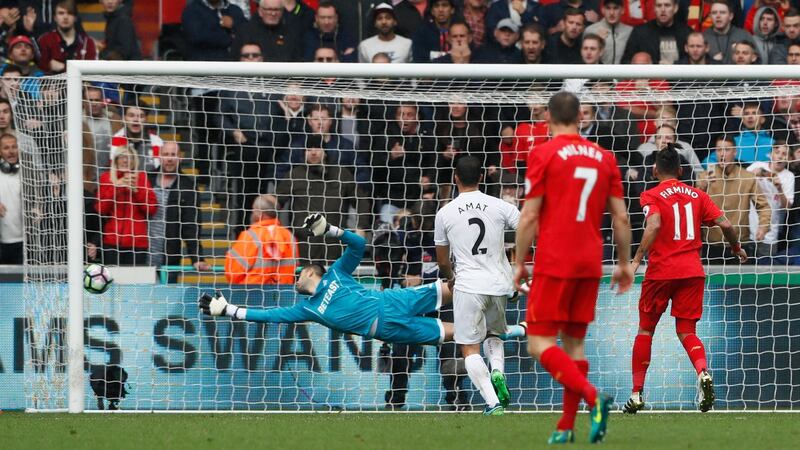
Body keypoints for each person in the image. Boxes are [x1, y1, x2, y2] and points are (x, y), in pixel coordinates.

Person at [513, 92, 633, 444]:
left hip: (554, 260)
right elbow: (621, 216)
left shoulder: (543, 153)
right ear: (581, 117)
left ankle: (594, 397)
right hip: (590, 261)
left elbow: (530, 214)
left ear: (548, 118)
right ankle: (566, 426)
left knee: (538, 344)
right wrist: (624, 264)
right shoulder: (605, 157)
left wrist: (519, 262)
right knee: (574, 347)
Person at [205, 214, 463, 344]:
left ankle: (493, 290)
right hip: (385, 329)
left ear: (309, 271)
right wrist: (230, 310)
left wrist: (330, 230)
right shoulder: (307, 308)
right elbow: (270, 315)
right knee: (454, 333)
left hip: (393, 300)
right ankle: (501, 332)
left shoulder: (336, 272)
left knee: (454, 287)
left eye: (298, 274)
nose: (294, 280)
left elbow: (359, 245)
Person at [625, 145, 747, 414]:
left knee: (646, 330)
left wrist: (635, 260)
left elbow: (654, 224)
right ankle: (703, 371)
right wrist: (736, 248)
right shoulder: (698, 195)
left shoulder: (650, 194)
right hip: (692, 271)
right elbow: (726, 224)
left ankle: (636, 394)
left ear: (655, 169)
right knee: (687, 332)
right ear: (681, 170)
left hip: (661, 272)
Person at [435, 156, 521, 416]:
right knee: (494, 335)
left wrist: (450, 275)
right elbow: (530, 228)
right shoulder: (499, 206)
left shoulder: (445, 212)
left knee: (469, 348)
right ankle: (497, 371)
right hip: (498, 283)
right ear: (481, 178)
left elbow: (441, 259)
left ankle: (493, 403)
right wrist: (518, 264)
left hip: (468, 285)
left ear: (455, 178)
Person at [696, 135, 771, 263]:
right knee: (713, 283)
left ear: (735, 151)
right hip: (711, 246)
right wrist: (701, 188)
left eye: (727, 150)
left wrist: (763, 226)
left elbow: (763, 206)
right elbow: (693, 207)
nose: (722, 154)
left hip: (740, 244)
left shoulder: (747, 177)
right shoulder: (704, 176)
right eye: (719, 150)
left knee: (741, 282)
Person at [147, 141, 209, 279]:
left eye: (173, 155)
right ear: (159, 156)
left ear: (180, 158)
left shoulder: (188, 186)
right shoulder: (146, 180)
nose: (169, 158)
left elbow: (191, 226)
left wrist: (196, 257)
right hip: (141, 254)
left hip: (170, 256)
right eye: (166, 154)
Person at [96, 141, 158, 266]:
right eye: (122, 157)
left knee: (135, 283)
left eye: (129, 158)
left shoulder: (141, 177)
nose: (125, 161)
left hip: (137, 243)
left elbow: (151, 209)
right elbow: (100, 209)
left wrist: (136, 190)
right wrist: (116, 187)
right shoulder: (106, 178)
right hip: (112, 242)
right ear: (116, 160)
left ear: (134, 161)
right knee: (112, 282)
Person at [224, 194, 298, 285]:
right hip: (283, 295)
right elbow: (294, 268)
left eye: (253, 210)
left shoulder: (249, 237)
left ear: (259, 213)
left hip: (252, 295)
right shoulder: (289, 236)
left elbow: (232, 273)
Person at [621, 0, 691, 64]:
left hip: (679, 76)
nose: (663, 10)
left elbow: (694, 59)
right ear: (654, 8)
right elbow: (626, 61)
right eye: (659, 6)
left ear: (675, 8)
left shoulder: (686, 33)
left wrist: (675, 64)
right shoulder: (640, 33)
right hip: (648, 76)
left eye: (667, 5)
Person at [37, 1, 97, 74]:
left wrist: (63, 67)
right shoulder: (45, 40)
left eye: (70, 13)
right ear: (55, 18)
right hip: (52, 84)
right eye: (61, 13)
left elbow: (91, 71)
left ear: (75, 18)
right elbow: (40, 70)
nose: (65, 17)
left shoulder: (88, 42)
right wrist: (49, 66)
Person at [232, 0, 303, 62]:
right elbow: (234, 59)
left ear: (282, 11)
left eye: (277, 10)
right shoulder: (245, 32)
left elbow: (297, 59)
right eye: (269, 9)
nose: (273, 13)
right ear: (260, 11)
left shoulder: (291, 33)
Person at [181, 0, 246, 61]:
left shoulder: (234, 10)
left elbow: (247, 32)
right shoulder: (192, 10)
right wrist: (230, 38)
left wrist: (233, 24)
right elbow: (197, 37)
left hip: (236, 62)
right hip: (205, 62)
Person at [703, 0, 755, 64]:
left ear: (731, 16)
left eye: (722, 12)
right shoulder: (702, 38)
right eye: (714, 13)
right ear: (710, 16)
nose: (718, 16)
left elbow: (757, 62)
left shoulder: (744, 36)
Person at [584, 0, 632, 65]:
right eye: (608, 8)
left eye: (616, 8)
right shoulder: (591, 31)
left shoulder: (630, 31)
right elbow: (585, 59)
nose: (611, 13)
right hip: (598, 74)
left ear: (622, 10)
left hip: (623, 74)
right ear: (603, 10)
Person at [0, 133, 22, 264]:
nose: (11, 151)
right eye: (6, 148)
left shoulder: (29, 174)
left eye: (14, 147)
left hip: (24, 242)